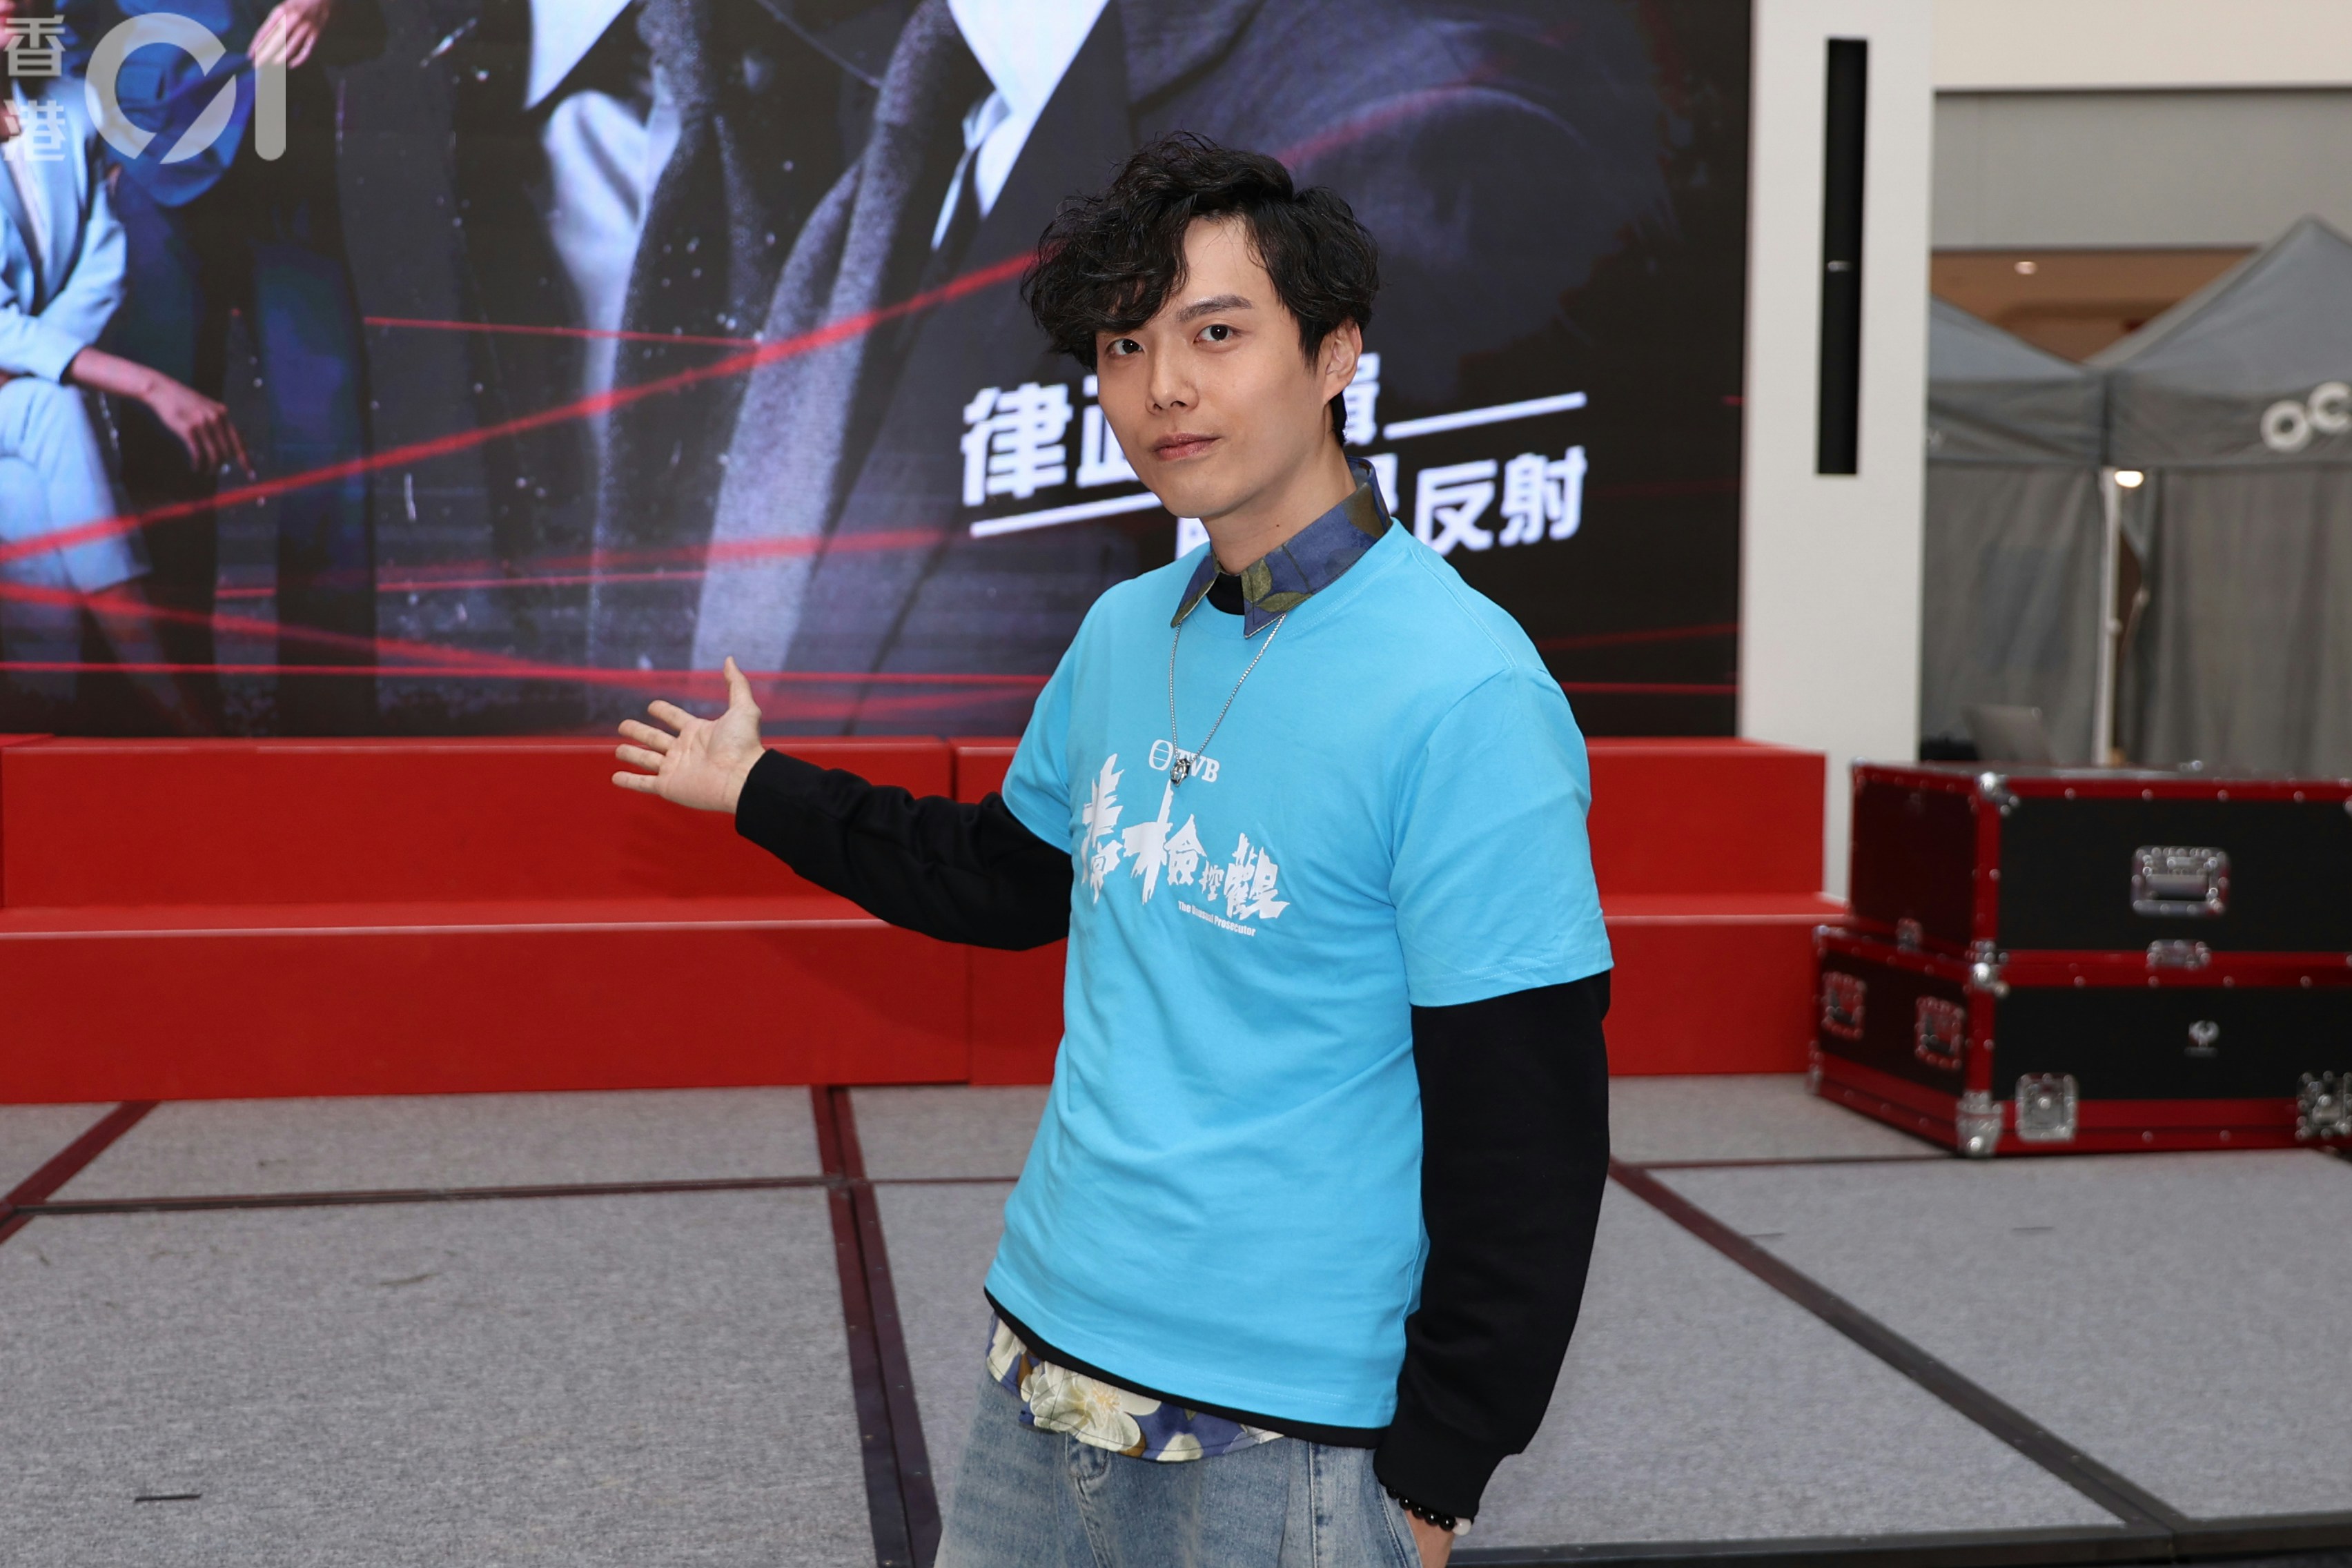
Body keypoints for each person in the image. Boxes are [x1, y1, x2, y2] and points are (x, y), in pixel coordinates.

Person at [616, 139, 1611, 1567]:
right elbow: (1002, 874)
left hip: (1295, 1426)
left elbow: (1528, 1124)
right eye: (1125, 346)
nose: (1163, 388)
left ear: (1335, 354)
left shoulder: (1468, 690)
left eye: (1216, 333)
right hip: (1047, 1354)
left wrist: (1442, 1467)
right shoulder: (1121, 630)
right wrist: (762, 789)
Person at [63, 0, 383, 733]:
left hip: (285, 160)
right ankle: (154, 718)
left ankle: (331, 725)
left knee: (328, 440)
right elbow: (42, 22)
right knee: (160, 446)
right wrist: (92, 138)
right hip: (149, 156)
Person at [0, 49, 244, 731]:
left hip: (14, 391)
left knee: (42, 483)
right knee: (55, 415)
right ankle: (179, 717)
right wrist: (149, 385)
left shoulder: (73, 107)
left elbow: (103, 262)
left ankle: (126, 727)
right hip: (23, 391)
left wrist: (31, 361)